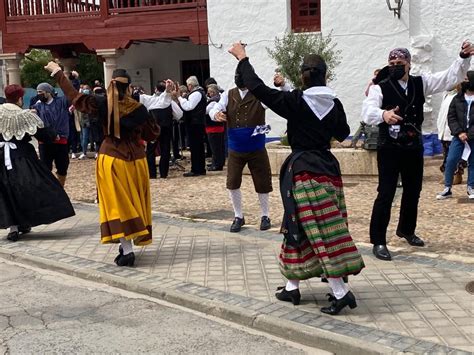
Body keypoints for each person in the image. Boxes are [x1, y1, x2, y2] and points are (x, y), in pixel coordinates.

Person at [228, 43, 365, 315]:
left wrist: (243, 58)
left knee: (318, 230)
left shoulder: (296, 102)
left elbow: (258, 88)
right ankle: (292, 286)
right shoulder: (334, 103)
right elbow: (342, 132)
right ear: (325, 75)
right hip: (328, 168)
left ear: (303, 75)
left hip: (305, 172)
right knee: (297, 228)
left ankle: (341, 292)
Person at [45, 61, 167, 267]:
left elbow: (74, 97)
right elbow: (153, 133)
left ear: (111, 85)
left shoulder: (102, 103)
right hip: (137, 161)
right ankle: (127, 243)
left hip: (112, 158)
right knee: (134, 202)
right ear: (128, 87)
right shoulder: (139, 109)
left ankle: (127, 249)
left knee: (118, 204)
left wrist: (59, 73)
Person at [362, 42, 473, 261]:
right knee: (385, 193)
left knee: (413, 191)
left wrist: (462, 58)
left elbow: (449, 78)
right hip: (389, 148)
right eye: (391, 63)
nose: (395, 66)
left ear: (409, 64)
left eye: (399, 63)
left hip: (413, 146)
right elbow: (367, 111)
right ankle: (378, 240)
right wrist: (383, 115)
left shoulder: (419, 83)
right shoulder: (379, 87)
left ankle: (406, 229)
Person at [0, 84, 75, 242]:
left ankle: (15, 226)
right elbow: (41, 131)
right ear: (20, 98)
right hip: (21, 157)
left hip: (2, 157)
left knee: (6, 190)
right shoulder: (24, 114)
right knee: (32, 187)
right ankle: (23, 222)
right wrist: (53, 136)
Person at [209, 65, 273, 233]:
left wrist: (283, 87)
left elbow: (274, 101)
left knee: (262, 181)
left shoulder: (260, 94)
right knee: (233, 182)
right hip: (236, 147)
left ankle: (265, 215)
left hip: (256, 146)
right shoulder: (228, 94)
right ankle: (238, 216)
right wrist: (215, 114)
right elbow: (215, 107)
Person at [437, 72, 474, 200]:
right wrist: (459, 132)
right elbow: (451, 117)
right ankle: (447, 188)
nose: (464, 82)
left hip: (472, 137)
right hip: (458, 136)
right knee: (451, 160)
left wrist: (469, 134)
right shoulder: (457, 99)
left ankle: (471, 187)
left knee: (472, 162)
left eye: (466, 79)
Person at [140, 80, 183, 178]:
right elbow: (179, 114)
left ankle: (152, 174)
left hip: (152, 128)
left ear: (155, 89)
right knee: (165, 150)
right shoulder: (170, 102)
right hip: (165, 127)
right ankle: (163, 173)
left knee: (150, 151)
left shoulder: (149, 100)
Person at [33, 82, 71, 187]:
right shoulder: (37, 105)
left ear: (48, 92)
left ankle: (61, 187)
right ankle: (49, 190)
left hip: (61, 140)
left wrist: (74, 81)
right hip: (45, 142)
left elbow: (72, 94)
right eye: (37, 92)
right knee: (45, 167)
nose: (38, 94)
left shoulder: (61, 102)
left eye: (41, 92)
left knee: (62, 167)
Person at [177, 76, 207, 177]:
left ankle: (197, 169)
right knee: (197, 147)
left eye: (188, 85)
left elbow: (188, 106)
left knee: (196, 147)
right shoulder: (198, 92)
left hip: (195, 123)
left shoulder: (196, 93)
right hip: (196, 123)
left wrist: (180, 98)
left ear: (190, 85)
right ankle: (199, 168)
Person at [436, 83, 465, 186]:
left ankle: (457, 174)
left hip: (452, 131)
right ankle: (448, 175)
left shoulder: (459, 97)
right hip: (443, 131)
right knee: (446, 155)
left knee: (455, 156)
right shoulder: (446, 95)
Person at [205, 84, 225, 171]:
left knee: (215, 147)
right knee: (219, 147)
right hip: (218, 127)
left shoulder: (213, 101)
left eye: (209, 92)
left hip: (214, 128)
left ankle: (217, 164)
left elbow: (206, 111)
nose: (208, 94)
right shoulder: (219, 99)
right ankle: (217, 162)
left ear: (212, 92)